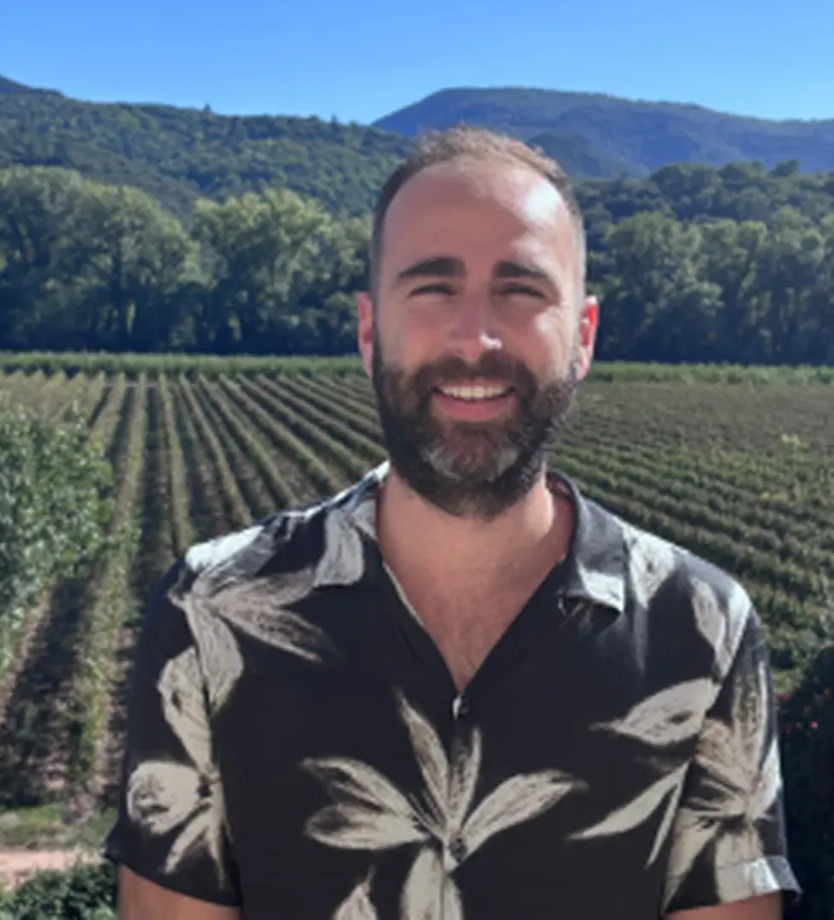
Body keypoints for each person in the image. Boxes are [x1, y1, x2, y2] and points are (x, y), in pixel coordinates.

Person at [103, 125, 800, 919]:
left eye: (521, 290)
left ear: (583, 336)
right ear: (370, 331)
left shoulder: (702, 631)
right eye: (432, 288)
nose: (476, 339)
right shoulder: (210, 615)